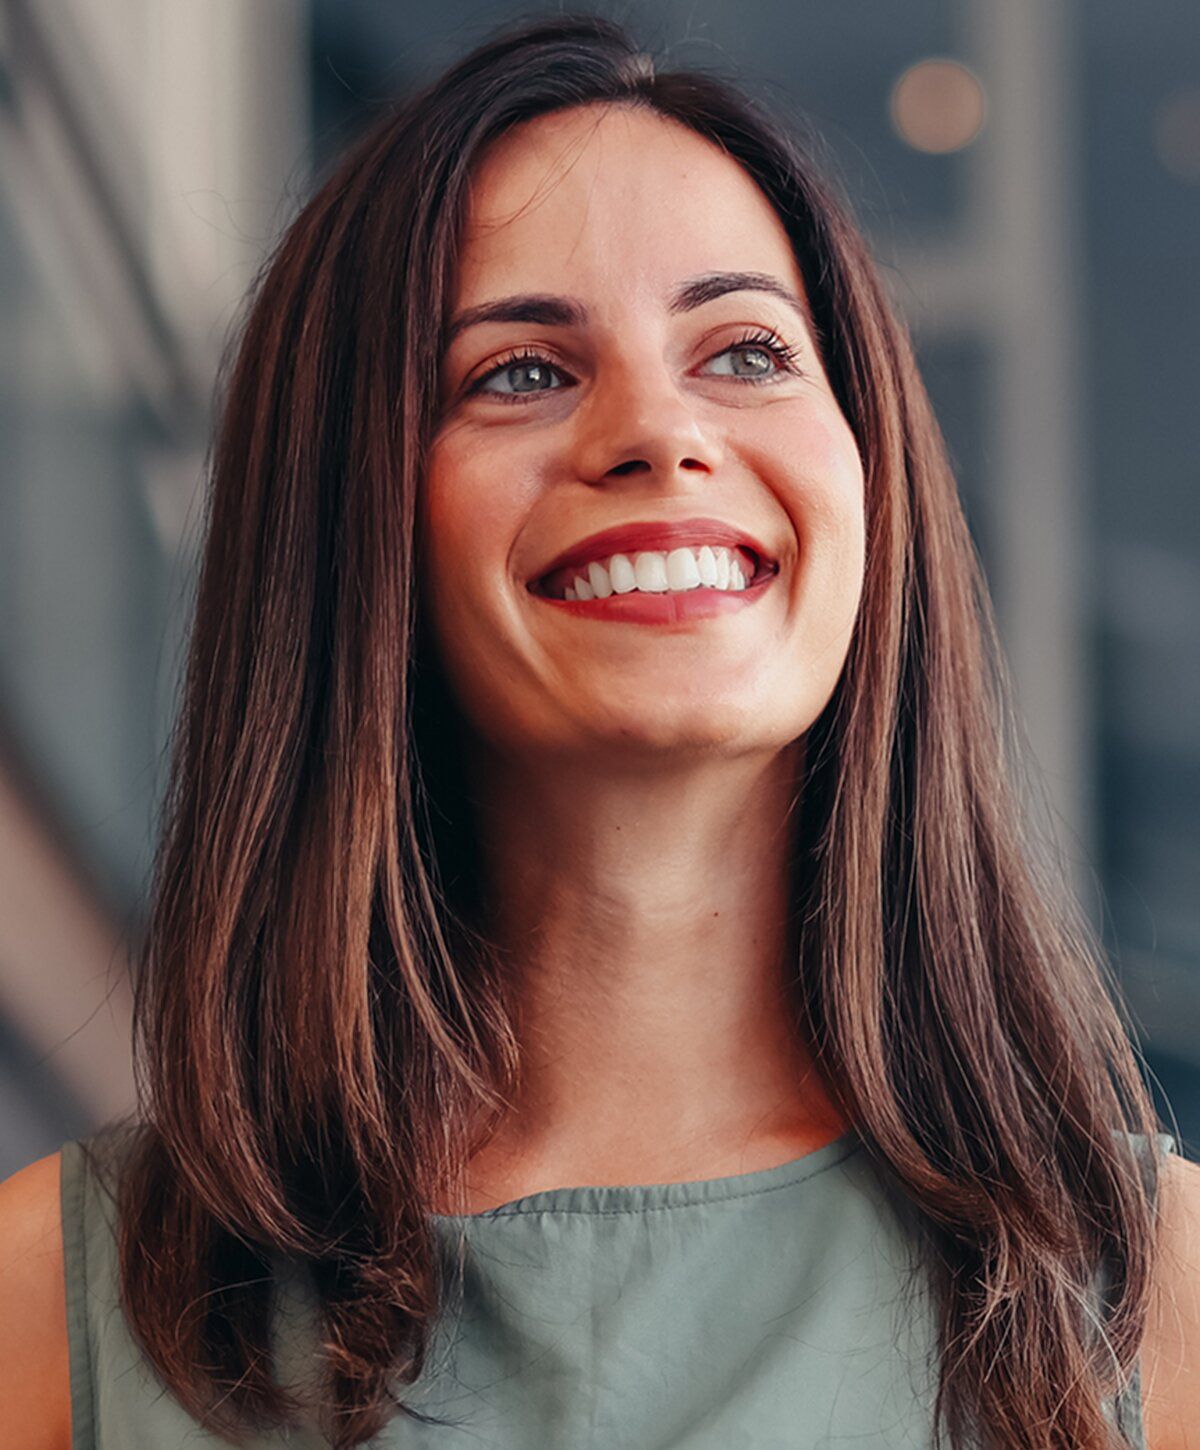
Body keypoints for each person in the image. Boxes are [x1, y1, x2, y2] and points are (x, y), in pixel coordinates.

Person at [1, 14, 1198, 1449]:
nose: (659, 430)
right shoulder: (49, 1311)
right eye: (519, 372)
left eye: (747, 351)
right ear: (349, 528)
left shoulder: (1155, 1297)